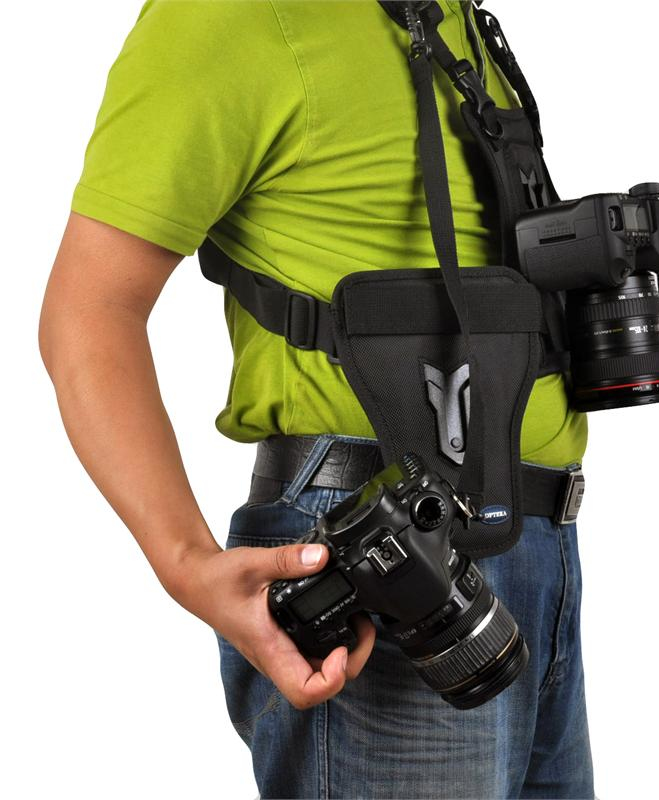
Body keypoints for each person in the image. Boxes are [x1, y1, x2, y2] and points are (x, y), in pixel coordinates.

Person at [39, 1, 594, 797]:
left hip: (533, 550)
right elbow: (87, 312)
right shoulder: (229, 16)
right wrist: (186, 562)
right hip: (384, 560)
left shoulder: (453, 18)